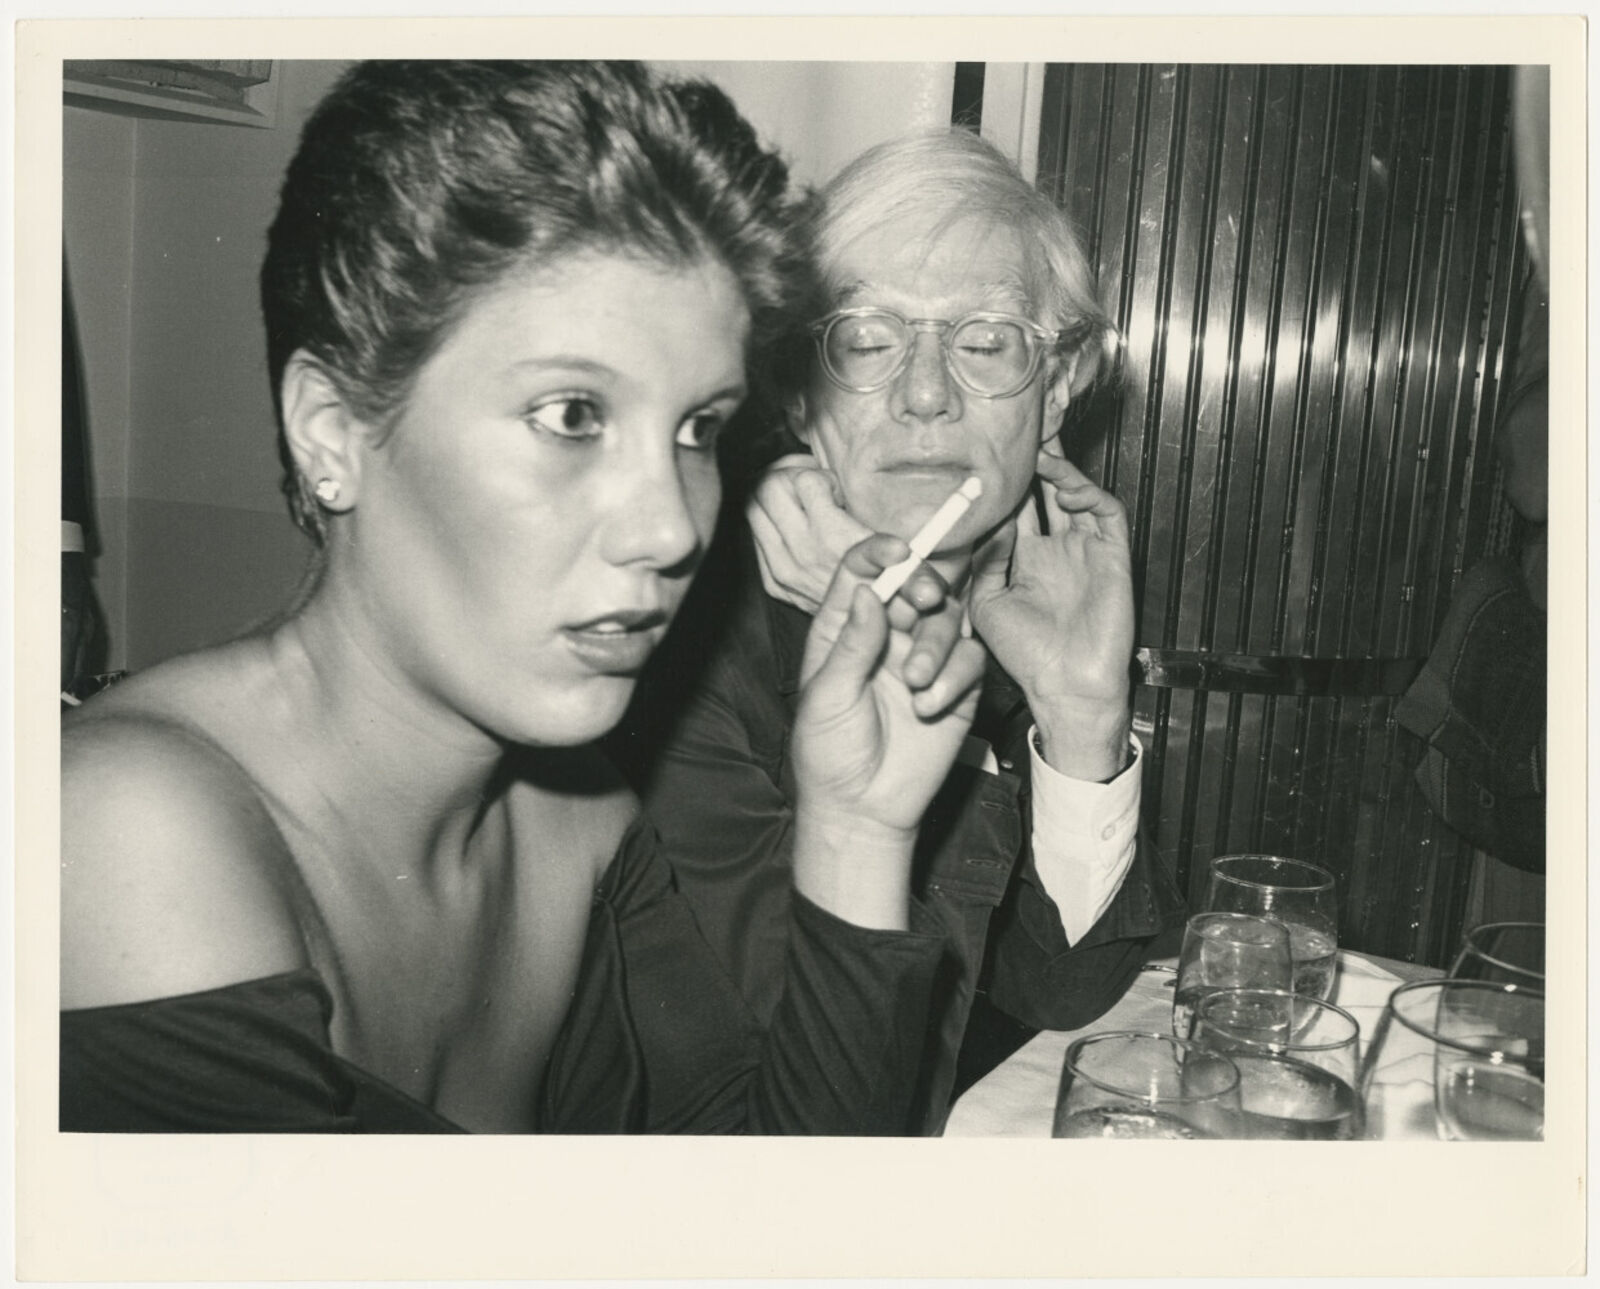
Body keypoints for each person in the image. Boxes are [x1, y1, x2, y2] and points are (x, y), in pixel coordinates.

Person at [58, 61, 990, 1134]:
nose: (675, 526)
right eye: (572, 415)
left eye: (697, 429)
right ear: (331, 431)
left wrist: (858, 829)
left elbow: (771, 1213)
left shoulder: (576, 820)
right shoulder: (135, 834)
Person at [612, 128, 1185, 1132]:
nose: (925, 394)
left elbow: (1081, 1011)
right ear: (798, 389)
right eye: (867, 340)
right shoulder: (684, 654)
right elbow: (833, 1107)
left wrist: (1082, 717)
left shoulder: (1010, 600)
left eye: (983, 340)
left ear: (1057, 390)